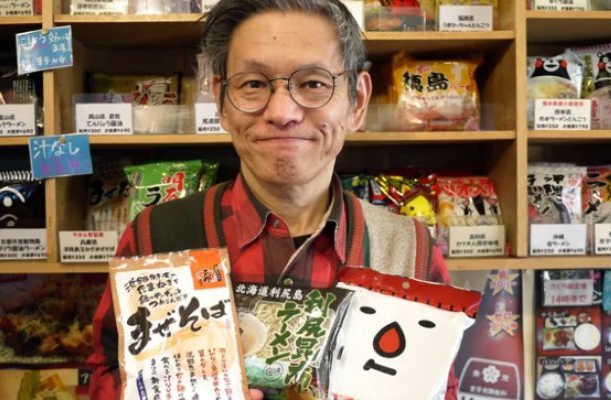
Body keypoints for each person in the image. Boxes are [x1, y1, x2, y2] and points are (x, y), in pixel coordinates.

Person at [88, 0, 456, 399]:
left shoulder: (410, 253)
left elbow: (441, 389)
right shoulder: (156, 238)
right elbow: (107, 374)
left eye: (313, 83)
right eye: (253, 84)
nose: (282, 112)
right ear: (222, 101)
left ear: (358, 101)